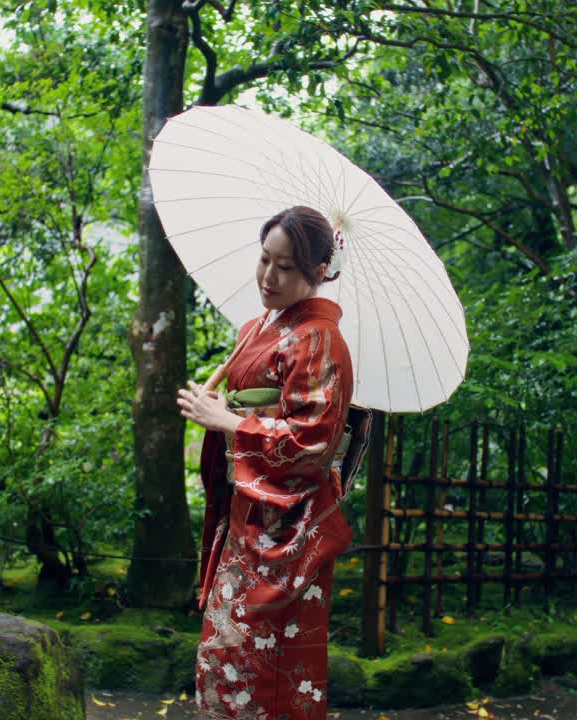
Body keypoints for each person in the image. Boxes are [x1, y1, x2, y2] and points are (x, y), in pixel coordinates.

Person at [176, 205, 354, 720]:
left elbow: (311, 444)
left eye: (286, 267)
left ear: (318, 271)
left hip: (286, 528)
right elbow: (254, 415)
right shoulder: (258, 328)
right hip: (248, 518)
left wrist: (230, 424)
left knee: (264, 662)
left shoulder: (319, 339)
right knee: (224, 653)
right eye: (264, 259)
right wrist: (220, 410)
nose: (268, 276)